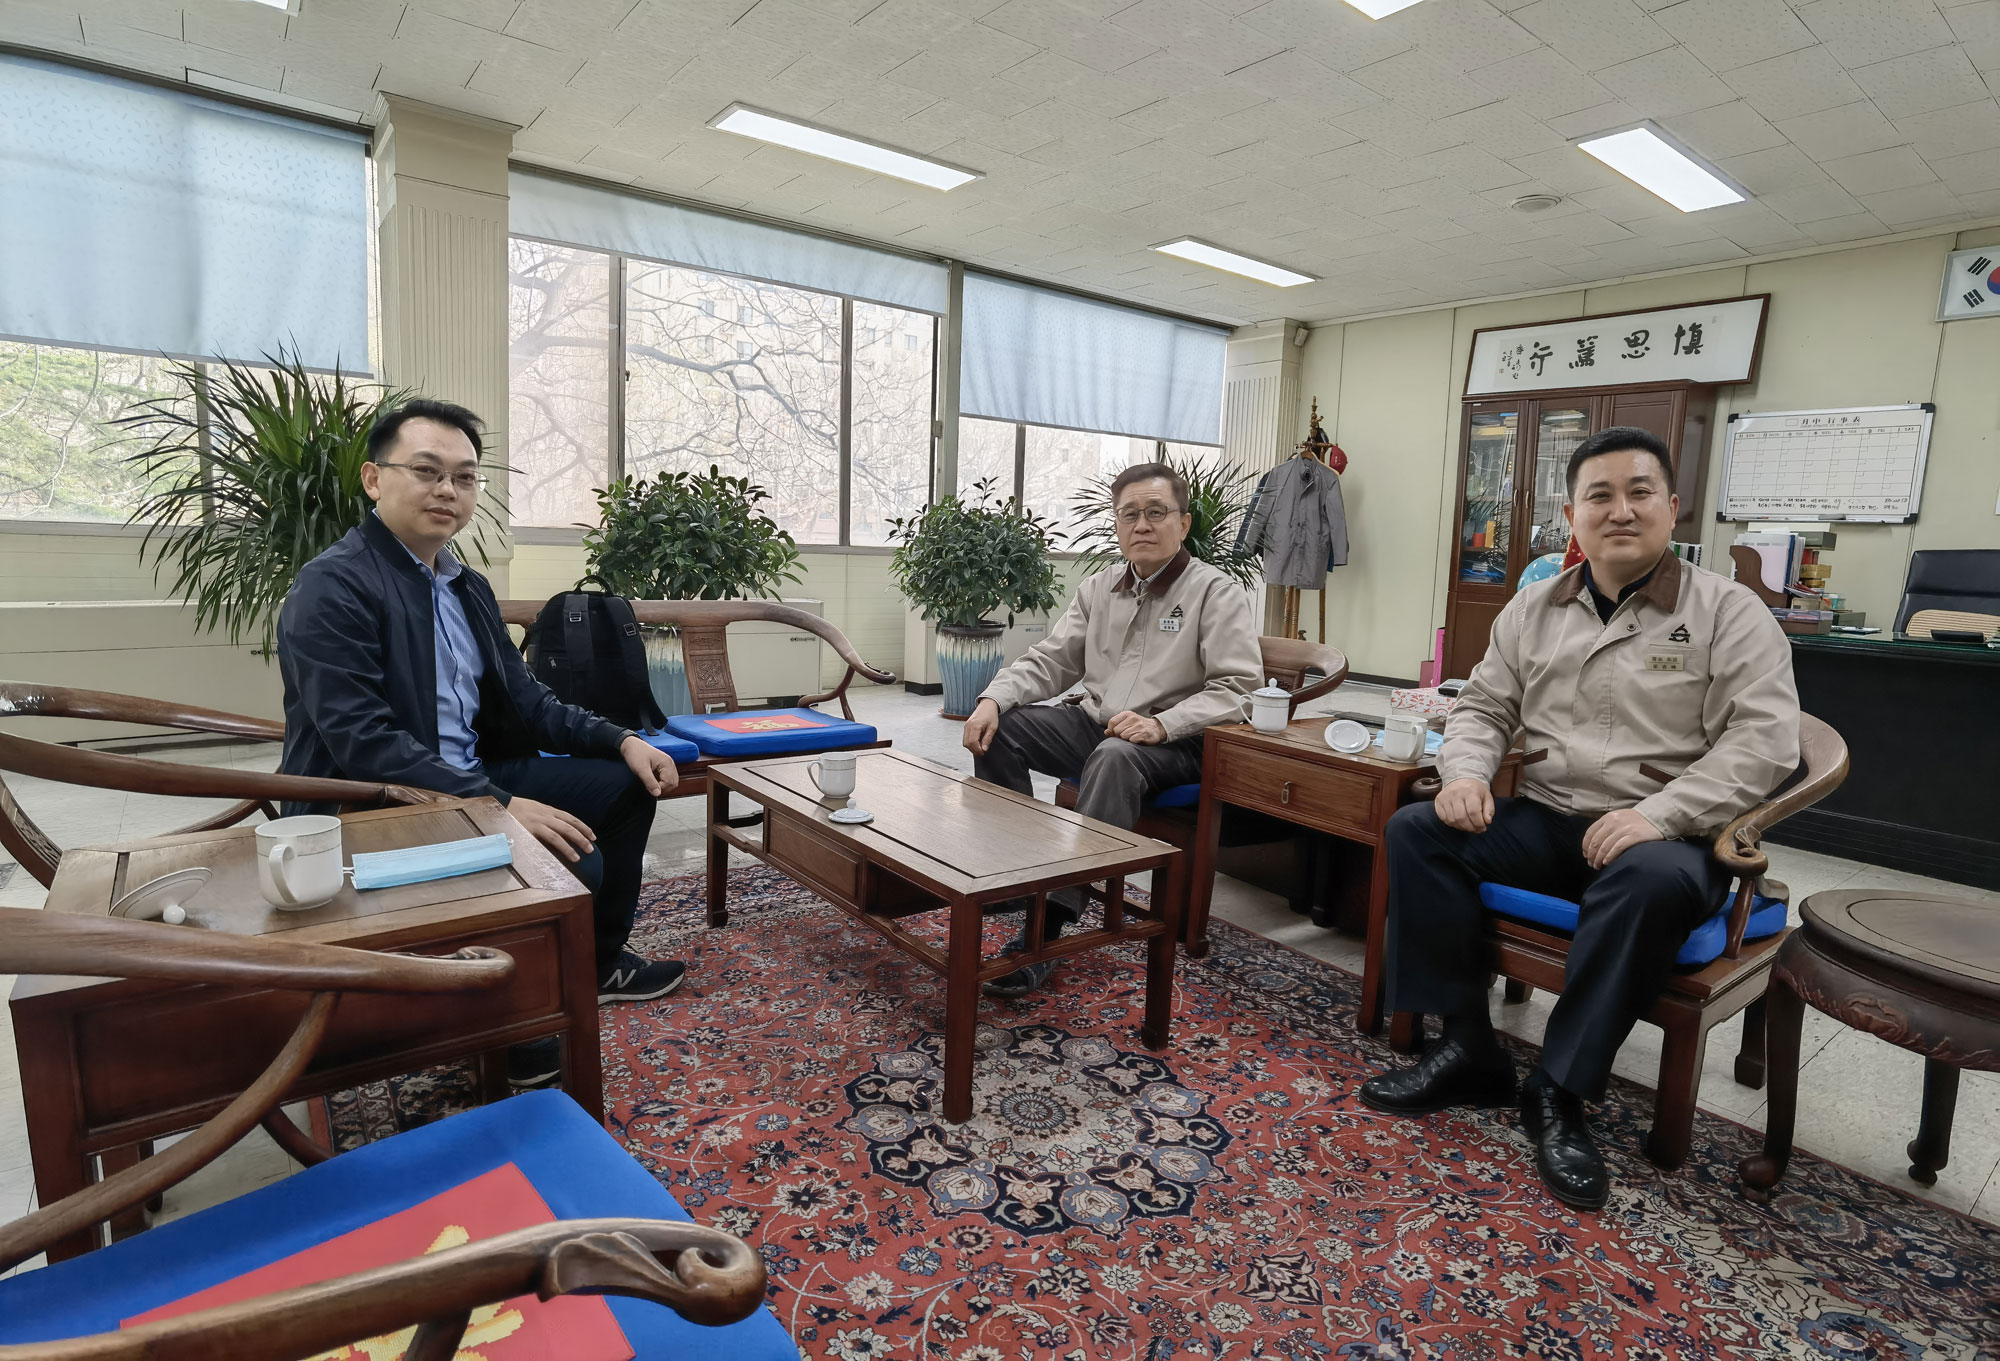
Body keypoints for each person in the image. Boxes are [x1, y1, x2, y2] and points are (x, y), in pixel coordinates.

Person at [1357, 426, 1800, 1210]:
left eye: (1639, 492)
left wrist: (1659, 814)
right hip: (1553, 818)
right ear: (1572, 515)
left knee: (1648, 882)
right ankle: (1468, 1045)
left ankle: (1559, 1089)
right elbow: (1483, 706)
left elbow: (1764, 744)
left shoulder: (1729, 612)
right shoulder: (1535, 607)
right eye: (1600, 495)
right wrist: (1466, 774)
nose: (1619, 509)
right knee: (1418, 830)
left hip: (1669, 838)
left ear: (1671, 506)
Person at [277, 399, 688, 1088]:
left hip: (467, 778)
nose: (448, 490)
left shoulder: (465, 587)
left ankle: (596, 966)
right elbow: (364, 744)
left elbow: (528, 702)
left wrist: (619, 739)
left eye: (464, 477)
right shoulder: (333, 586)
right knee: (573, 863)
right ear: (374, 479)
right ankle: (512, 1025)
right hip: (373, 806)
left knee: (623, 788)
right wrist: (497, 803)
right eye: (427, 471)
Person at [963, 462, 1262, 996]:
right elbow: (1052, 660)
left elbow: (1239, 689)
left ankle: (1047, 926)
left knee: (1115, 756)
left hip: (1179, 743)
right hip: (1100, 726)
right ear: (1118, 525)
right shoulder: (1099, 588)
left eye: (1156, 512)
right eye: (1130, 515)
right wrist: (992, 699)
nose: (1142, 525)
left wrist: (1163, 723)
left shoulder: (1215, 592)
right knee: (1003, 728)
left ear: (1183, 523)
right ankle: (1013, 879)